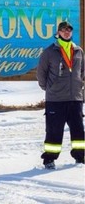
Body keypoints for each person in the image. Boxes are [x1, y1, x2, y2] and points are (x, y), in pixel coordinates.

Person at [37, 21, 85, 169]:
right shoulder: (50, 52)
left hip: (75, 98)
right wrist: (50, 89)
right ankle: (49, 160)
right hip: (56, 100)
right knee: (54, 131)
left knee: (78, 131)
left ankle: (80, 158)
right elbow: (41, 74)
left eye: (69, 30)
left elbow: (82, 72)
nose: (66, 32)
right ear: (58, 33)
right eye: (63, 30)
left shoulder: (78, 51)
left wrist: (80, 87)